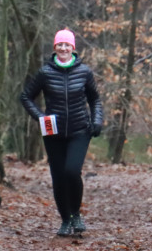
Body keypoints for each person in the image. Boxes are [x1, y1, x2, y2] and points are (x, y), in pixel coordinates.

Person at [20, 29, 104, 237]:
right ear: (55, 47)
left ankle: (76, 214)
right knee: (58, 176)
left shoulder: (84, 71)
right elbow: (26, 97)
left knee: (71, 171)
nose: (64, 48)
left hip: (79, 129)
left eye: (67, 45)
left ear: (73, 48)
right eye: (60, 45)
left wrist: (97, 121)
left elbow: (95, 99)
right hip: (53, 132)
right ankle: (65, 220)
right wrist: (40, 117)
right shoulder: (45, 73)